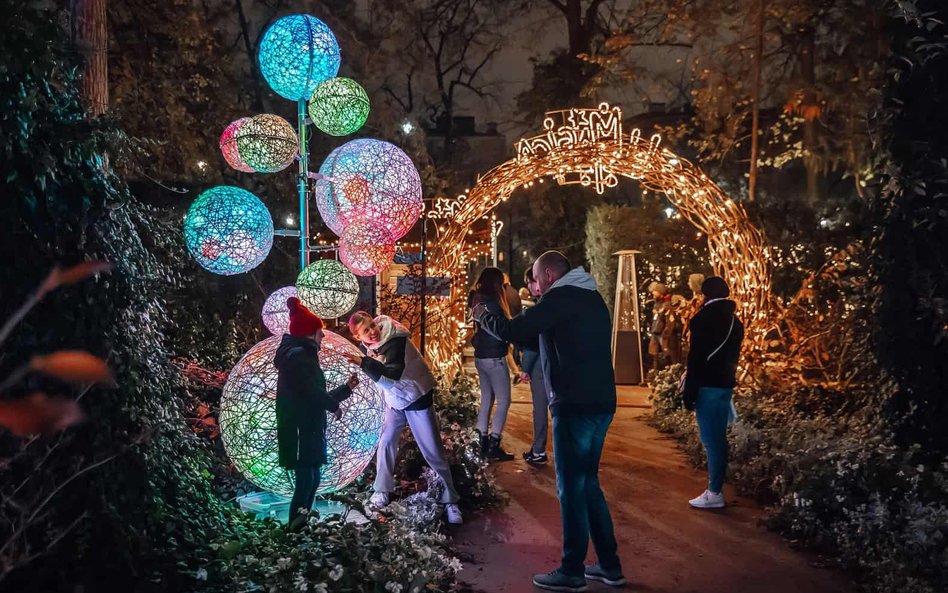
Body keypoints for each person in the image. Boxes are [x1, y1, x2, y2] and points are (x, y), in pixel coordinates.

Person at [474, 251, 624, 592]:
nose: (535, 285)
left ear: (550, 276)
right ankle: (609, 566)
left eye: (538, 279)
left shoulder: (561, 297)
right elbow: (534, 335)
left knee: (570, 486)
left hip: (576, 403)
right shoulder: (589, 296)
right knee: (587, 483)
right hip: (601, 402)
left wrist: (483, 315)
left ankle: (572, 570)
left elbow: (515, 329)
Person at [344, 312, 463, 525]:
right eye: (366, 331)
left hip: (415, 396)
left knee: (432, 449)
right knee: (386, 441)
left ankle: (450, 500)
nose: (373, 332)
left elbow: (392, 375)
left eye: (372, 325)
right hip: (395, 400)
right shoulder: (370, 345)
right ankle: (381, 490)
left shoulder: (395, 339)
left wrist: (363, 363)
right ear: (357, 337)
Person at [275, 297, 359, 528]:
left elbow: (313, 393)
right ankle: (296, 528)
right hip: (301, 429)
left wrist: (345, 390)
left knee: (313, 479)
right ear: (309, 333)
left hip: (307, 425)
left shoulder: (301, 355)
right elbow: (312, 393)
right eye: (319, 332)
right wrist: (335, 406)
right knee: (306, 480)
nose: (323, 336)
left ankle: (301, 525)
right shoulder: (299, 357)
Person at [682, 276, 745, 510]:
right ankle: (715, 487)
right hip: (725, 386)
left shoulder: (702, 319)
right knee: (719, 439)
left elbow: (695, 359)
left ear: (705, 294)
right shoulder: (735, 322)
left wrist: (689, 392)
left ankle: (714, 492)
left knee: (711, 441)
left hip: (707, 386)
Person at [467, 267, 515, 461]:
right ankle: (494, 443)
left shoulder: (477, 298)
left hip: (481, 356)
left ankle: (482, 441)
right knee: (504, 400)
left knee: (487, 398)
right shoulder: (493, 302)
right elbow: (501, 329)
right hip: (495, 356)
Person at [516, 267, 549, 465]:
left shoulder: (540, 309)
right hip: (562, 366)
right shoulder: (562, 303)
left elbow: (533, 343)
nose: (529, 287)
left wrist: (525, 368)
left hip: (541, 368)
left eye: (531, 282)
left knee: (540, 409)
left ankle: (538, 451)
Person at [647, 281, 671, 371]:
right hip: (655, 333)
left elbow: (669, 321)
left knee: (666, 353)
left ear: (660, 293)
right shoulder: (656, 304)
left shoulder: (666, 305)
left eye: (656, 291)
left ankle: (668, 373)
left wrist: (666, 333)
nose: (653, 293)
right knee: (654, 353)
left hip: (662, 334)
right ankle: (654, 374)